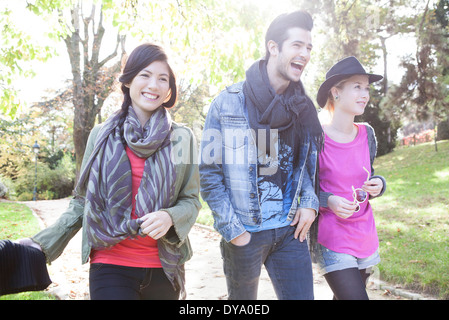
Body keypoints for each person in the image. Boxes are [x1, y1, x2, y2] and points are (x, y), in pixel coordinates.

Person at [17, 43, 201, 300]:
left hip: (164, 267)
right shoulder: (100, 135)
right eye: (145, 75)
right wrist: (43, 243)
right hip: (110, 263)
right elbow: (83, 200)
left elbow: (191, 200)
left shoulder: (183, 138)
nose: (154, 85)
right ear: (128, 81)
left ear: (169, 88)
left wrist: (170, 217)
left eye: (163, 78)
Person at [199, 10, 324, 300]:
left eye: (309, 48)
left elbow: (303, 165)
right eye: (297, 45)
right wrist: (233, 230)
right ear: (273, 47)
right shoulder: (226, 104)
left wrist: (309, 202)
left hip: (290, 232)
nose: (304, 54)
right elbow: (208, 172)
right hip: (245, 233)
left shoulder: (303, 108)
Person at [311, 56, 387, 300]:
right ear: (336, 92)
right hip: (332, 236)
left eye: (366, 88)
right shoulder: (316, 137)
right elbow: (303, 188)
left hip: (364, 234)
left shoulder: (367, 134)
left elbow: (368, 175)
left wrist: (380, 184)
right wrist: (329, 200)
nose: (364, 93)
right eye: (357, 86)